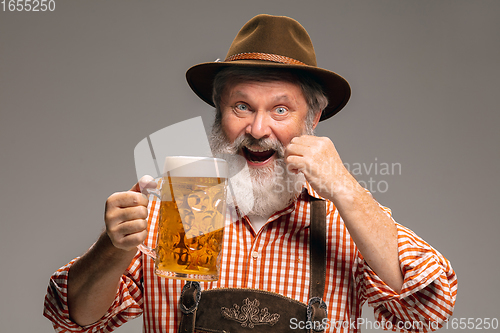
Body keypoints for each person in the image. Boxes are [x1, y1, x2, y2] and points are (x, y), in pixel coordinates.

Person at [44, 14, 457, 332]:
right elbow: (71, 318)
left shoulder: (346, 220)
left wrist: (346, 190)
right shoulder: (177, 207)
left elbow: (429, 312)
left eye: (280, 110)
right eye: (242, 107)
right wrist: (113, 246)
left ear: (312, 118)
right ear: (219, 111)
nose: (258, 131)